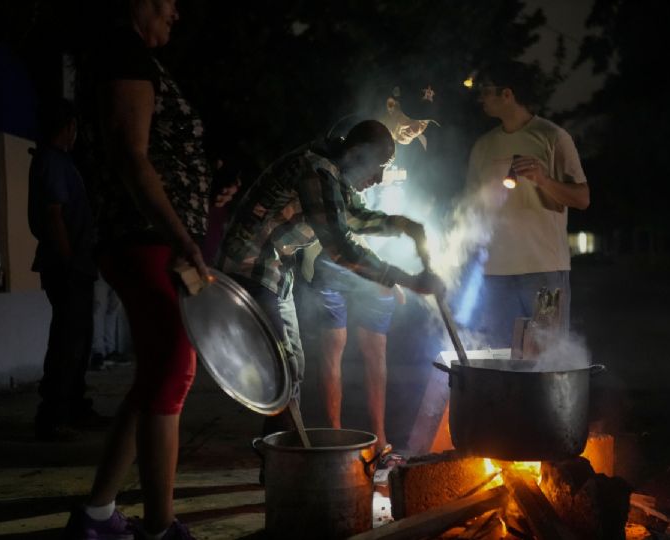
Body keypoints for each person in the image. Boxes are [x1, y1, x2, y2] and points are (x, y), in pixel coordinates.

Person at [65, 0, 211, 538]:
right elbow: (131, 152)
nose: (177, 11)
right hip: (144, 237)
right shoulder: (122, 50)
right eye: (171, 2)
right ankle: (159, 528)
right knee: (175, 369)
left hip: (145, 235)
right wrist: (180, 236)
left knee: (154, 376)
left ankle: (97, 515)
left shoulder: (123, 52)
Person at [217, 120, 444, 451]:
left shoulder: (332, 175)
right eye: (379, 166)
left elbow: (353, 216)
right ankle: (284, 464)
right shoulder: (315, 170)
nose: (379, 177)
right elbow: (340, 244)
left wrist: (403, 225)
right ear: (355, 153)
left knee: (291, 371)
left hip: (275, 273)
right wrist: (407, 280)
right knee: (283, 371)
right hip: (251, 269)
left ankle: (280, 462)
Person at [301, 83, 439, 451]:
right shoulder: (352, 136)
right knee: (334, 345)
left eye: (424, 124)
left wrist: (397, 262)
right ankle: (334, 439)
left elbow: (408, 205)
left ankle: (380, 441)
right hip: (339, 256)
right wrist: (387, 273)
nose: (418, 130)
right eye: (414, 120)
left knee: (375, 349)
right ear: (392, 105)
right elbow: (339, 218)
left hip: (378, 262)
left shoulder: (415, 154)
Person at [466, 61, 590, 348]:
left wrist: (544, 180)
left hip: (544, 270)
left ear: (506, 94)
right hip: (495, 273)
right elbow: (471, 208)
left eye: (486, 92)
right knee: (500, 359)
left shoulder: (553, 137)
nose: (481, 98)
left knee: (546, 361)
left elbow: (582, 198)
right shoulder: (483, 146)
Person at [27, 98, 103, 441]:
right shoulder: (53, 161)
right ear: (68, 126)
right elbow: (54, 214)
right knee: (68, 340)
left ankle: (71, 406)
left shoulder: (59, 161)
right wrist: (70, 258)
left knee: (77, 338)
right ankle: (55, 412)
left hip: (75, 262)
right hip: (68, 264)